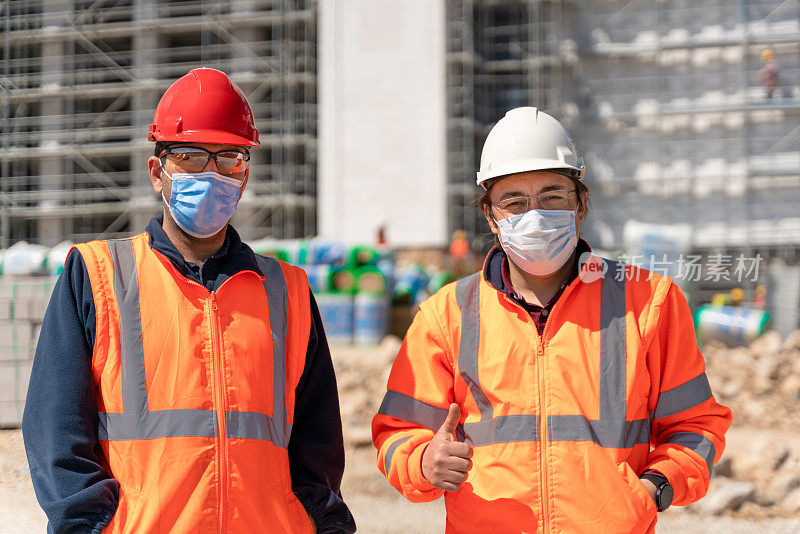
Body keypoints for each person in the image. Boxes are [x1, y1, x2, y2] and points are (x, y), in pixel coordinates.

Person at [23, 68, 356, 534]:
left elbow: (318, 446)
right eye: (191, 155)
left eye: (230, 158)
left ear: (244, 174)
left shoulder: (288, 291)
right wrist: (91, 526)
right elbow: (56, 434)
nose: (212, 173)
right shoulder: (97, 276)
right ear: (157, 171)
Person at [372, 107, 731, 532]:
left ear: (581, 204)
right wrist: (423, 462)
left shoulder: (649, 302)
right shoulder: (446, 314)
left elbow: (697, 426)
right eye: (515, 202)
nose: (536, 215)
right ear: (491, 216)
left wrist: (656, 487)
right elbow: (396, 433)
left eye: (552, 197)